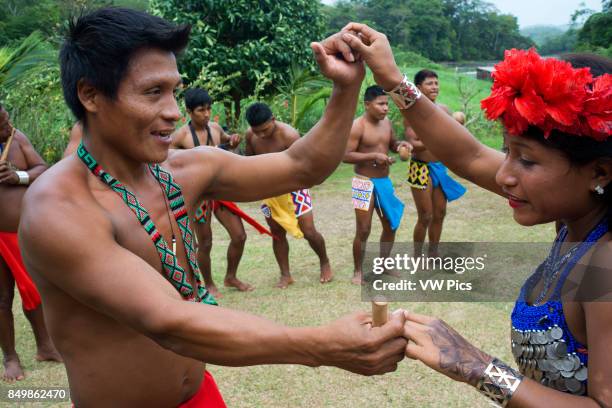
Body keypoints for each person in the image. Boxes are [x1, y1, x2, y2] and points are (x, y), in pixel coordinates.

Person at [19, 9, 407, 406]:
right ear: (90, 95)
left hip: (203, 395)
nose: (173, 110)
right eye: (153, 92)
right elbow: (167, 321)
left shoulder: (185, 170)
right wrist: (318, 345)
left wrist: (345, 88)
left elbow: (303, 166)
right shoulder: (58, 208)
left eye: (174, 91)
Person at [341, 22, 612, 406]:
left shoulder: (607, 263)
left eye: (528, 161)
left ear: (599, 172)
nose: (504, 174)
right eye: (507, 152)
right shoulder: (576, 222)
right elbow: (468, 155)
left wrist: (478, 366)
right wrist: (392, 79)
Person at [171, 88, 265, 296]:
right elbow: (167, 161)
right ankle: (209, 284)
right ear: (188, 111)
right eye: (200, 110)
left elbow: (225, 141)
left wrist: (232, 140)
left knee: (239, 236)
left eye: (208, 109)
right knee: (204, 242)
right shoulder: (181, 136)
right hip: (199, 196)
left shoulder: (214, 128)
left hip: (220, 191)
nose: (206, 114)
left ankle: (230, 277)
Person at [0, 104, 61, 381]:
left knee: (34, 292)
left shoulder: (17, 138)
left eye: (7, 119)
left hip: (20, 232)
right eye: (1, 123)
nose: (7, 126)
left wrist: (18, 176)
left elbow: (41, 167)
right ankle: (10, 358)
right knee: (2, 298)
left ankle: (45, 346)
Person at [244, 102, 333, 288]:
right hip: (269, 191)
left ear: (273, 120)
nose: (260, 135)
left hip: (295, 188)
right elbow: (250, 161)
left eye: (265, 130)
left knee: (309, 231)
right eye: (256, 131)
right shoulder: (250, 135)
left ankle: (324, 261)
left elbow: (302, 165)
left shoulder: (289, 135)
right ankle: (285, 275)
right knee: (276, 233)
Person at [343, 85, 411, 284]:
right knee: (363, 229)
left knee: (391, 224)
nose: (385, 108)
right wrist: (374, 156)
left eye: (387, 104)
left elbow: (392, 143)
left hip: (384, 182)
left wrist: (401, 146)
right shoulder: (358, 126)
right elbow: (345, 156)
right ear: (367, 104)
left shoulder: (387, 122)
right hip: (363, 183)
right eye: (380, 104)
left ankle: (384, 265)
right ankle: (358, 271)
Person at [403, 70, 467, 256]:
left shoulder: (444, 110)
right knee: (425, 216)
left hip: (439, 166)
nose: (435, 87)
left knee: (439, 214)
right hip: (419, 168)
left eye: (436, 83)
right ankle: (417, 255)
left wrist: (458, 125)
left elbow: (454, 136)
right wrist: (436, 138)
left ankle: (433, 254)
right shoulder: (412, 112)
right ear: (418, 87)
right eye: (430, 83)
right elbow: (413, 145)